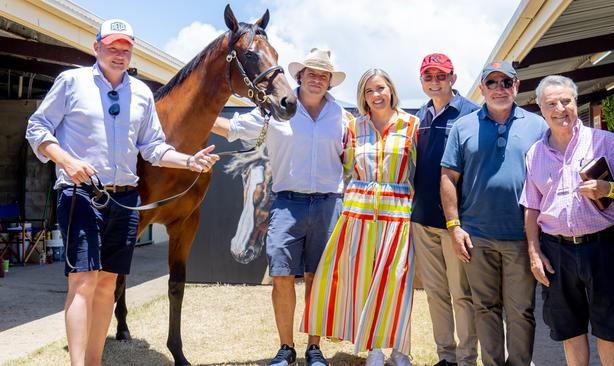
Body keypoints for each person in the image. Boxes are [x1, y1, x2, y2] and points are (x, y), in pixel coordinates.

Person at [24, 19, 218, 366]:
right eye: (112, 47)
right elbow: (37, 127)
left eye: (125, 49)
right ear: (96, 48)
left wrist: (190, 161)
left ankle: (95, 361)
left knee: (106, 284)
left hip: (126, 199)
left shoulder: (141, 93)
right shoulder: (72, 82)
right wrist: (66, 160)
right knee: (83, 282)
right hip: (81, 193)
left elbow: (154, 148)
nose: (118, 54)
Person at [212, 48, 350, 366]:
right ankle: (286, 348)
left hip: (330, 205)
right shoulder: (275, 110)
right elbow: (232, 129)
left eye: (323, 75)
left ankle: (314, 349)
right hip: (287, 204)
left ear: (330, 81)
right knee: (282, 277)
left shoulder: (342, 117)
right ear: (299, 76)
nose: (317, 79)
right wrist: (198, 115)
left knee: (318, 278)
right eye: (311, 73)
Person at [301, 68, 419, 366]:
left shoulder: (412, 125)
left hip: (399, 214)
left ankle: (400, 349)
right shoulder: (353, 128)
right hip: (358, 214)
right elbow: (345, 169)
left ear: (391, 90)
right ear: (362, 97)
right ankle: (375, 349)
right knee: (365, 283)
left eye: (380, 88)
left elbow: (419, 172)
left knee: (396, 282)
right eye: (369, 91)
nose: (376, 95)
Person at [520, 75, 614, 366]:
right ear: (541, 109)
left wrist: (607, 188)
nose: (560, 108)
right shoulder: (535, 153)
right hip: (556, 251)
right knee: (568, 326)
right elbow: (532, 208)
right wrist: (534, 253)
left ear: (576, 102)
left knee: (610, 325)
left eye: (566, 101)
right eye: (551, 103)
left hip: (602, 246)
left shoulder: (605, 142)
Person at [440, 61, 547, 366]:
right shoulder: (463, 127)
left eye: (506, 82)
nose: (499, 89)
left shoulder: (537, 126)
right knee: (485, 308)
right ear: (482, 88)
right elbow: (448, 177)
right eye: (492, 83)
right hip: (477, 237)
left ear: (517, 86)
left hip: (521, 236)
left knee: (521, 311)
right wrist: (454, 226)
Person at [411, 53, 479, 366]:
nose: (435, 82)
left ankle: (466, 359)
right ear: (422, 81)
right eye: (429, 76)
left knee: (462, 294)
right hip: (422, 221)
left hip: (457, 224)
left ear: (453, 78)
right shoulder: (419, 117)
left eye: (441, 76)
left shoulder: (472, 114)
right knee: (436, 294)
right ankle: (446, 358)